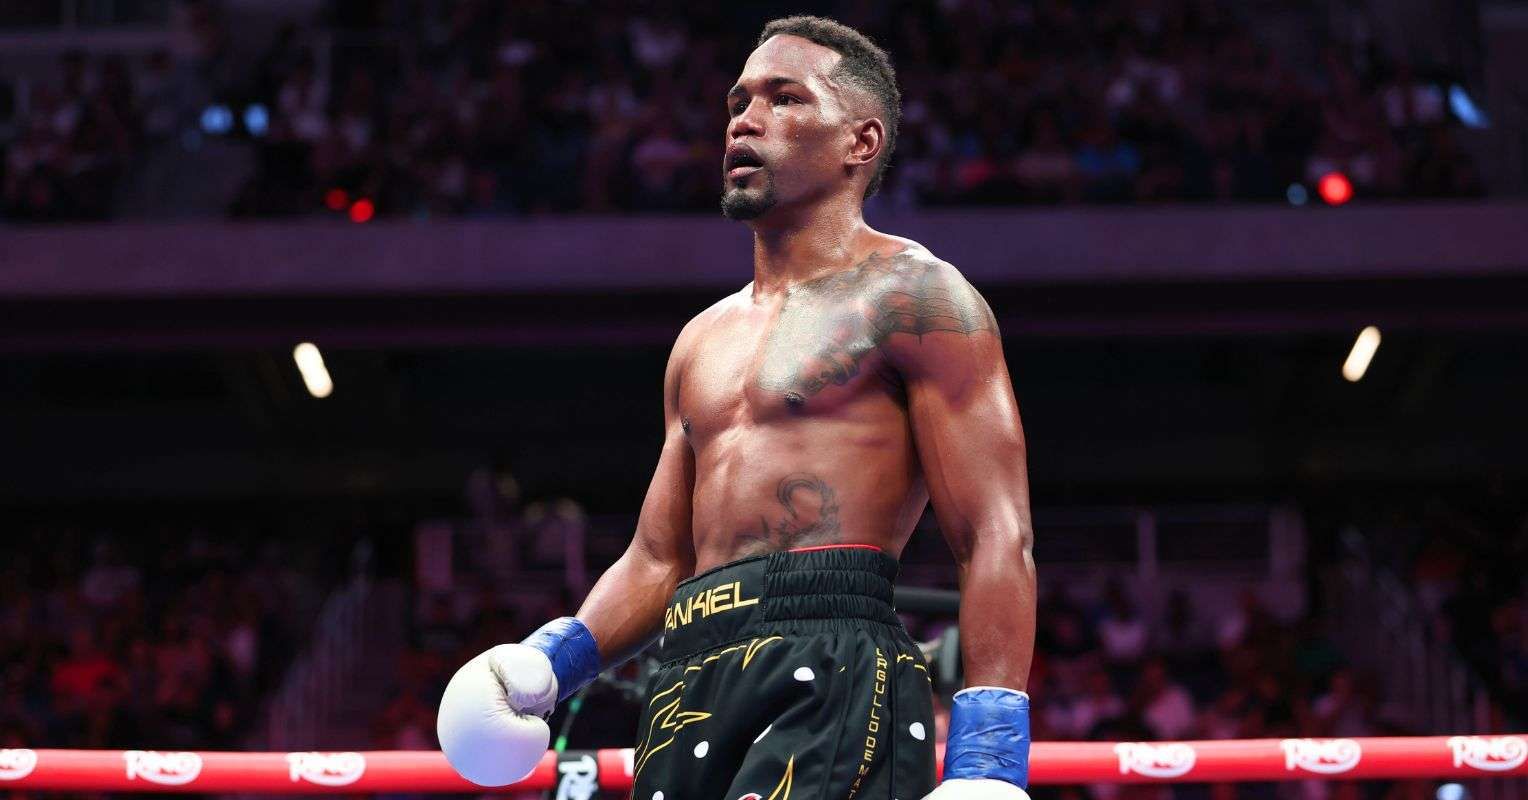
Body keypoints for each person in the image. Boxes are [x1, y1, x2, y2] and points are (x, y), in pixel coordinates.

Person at [437, 16, 1036, 800]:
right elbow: (658, 559)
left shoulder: (917, 297)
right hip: (688, 668)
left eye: (784, 99)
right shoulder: (701, 339)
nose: (745, 121)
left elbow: (994, 531)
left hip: (834, 653)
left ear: (861, 142)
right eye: (738, 101)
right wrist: (550, 663)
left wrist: (990, 758)